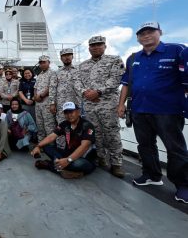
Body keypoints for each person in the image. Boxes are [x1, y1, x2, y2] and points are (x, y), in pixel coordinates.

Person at [118, 21, 188, 203]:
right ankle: (151, 175)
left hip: (168, 111)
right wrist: (121, 104)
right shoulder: (133, 58)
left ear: (160, 32)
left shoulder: (177, 50)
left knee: (175, 149)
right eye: (142, 33)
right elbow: (126, 83)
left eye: (151, 31)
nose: (146, 35)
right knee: (145, 146)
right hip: (140, 110)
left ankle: (183, 185)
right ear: (138, 37)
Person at [78, 35, 125, 178]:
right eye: (93, 45)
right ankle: (101, 158)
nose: (96, 47)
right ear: (89, 48)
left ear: (105, 46)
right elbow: (78, 81)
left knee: (111, 132)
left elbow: (116, 79)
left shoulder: (114, 60)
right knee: (94, 132)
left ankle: (116, 163)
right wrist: (85, 92)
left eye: (99, 45)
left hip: (108, 104)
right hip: (90, 104)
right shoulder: (83, 65)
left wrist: (98, 91)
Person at [31, 102, 97, 179]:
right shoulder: (65, 124)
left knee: (77, 164)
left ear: (78, 111)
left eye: (71, 112)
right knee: (46, 146)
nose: (69, 115)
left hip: (84, 159)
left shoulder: (87, 125)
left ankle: (50, 165)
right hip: (68, 154)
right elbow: (51, 137)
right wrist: (38, 146)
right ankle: (64, 167)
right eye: (66, 113)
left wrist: (68, 160)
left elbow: (84, 147)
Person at [49, 48, 80, 124]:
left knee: (76, 125)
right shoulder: (56, 72)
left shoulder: (79, 70)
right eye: (64, 56)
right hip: (61, 104)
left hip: (75, 103)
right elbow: (52, 88)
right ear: (61, 58)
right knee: (62, 124)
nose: (67, 57)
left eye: (69, 55)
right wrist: (52, 103)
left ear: (72, 56)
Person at [34, 55, 56, 142]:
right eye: (40, 63)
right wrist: (35, 96)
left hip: (47, 103)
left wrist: (41, 96)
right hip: (38, 104)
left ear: (48, 63)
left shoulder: (53, 73)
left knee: (49, 125)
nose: (42, 64)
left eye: (44, 62)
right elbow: (35, 88)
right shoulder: (39, 75)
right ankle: (41, 144)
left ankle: (50, 145)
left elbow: (51, 87)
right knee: (40, 125)